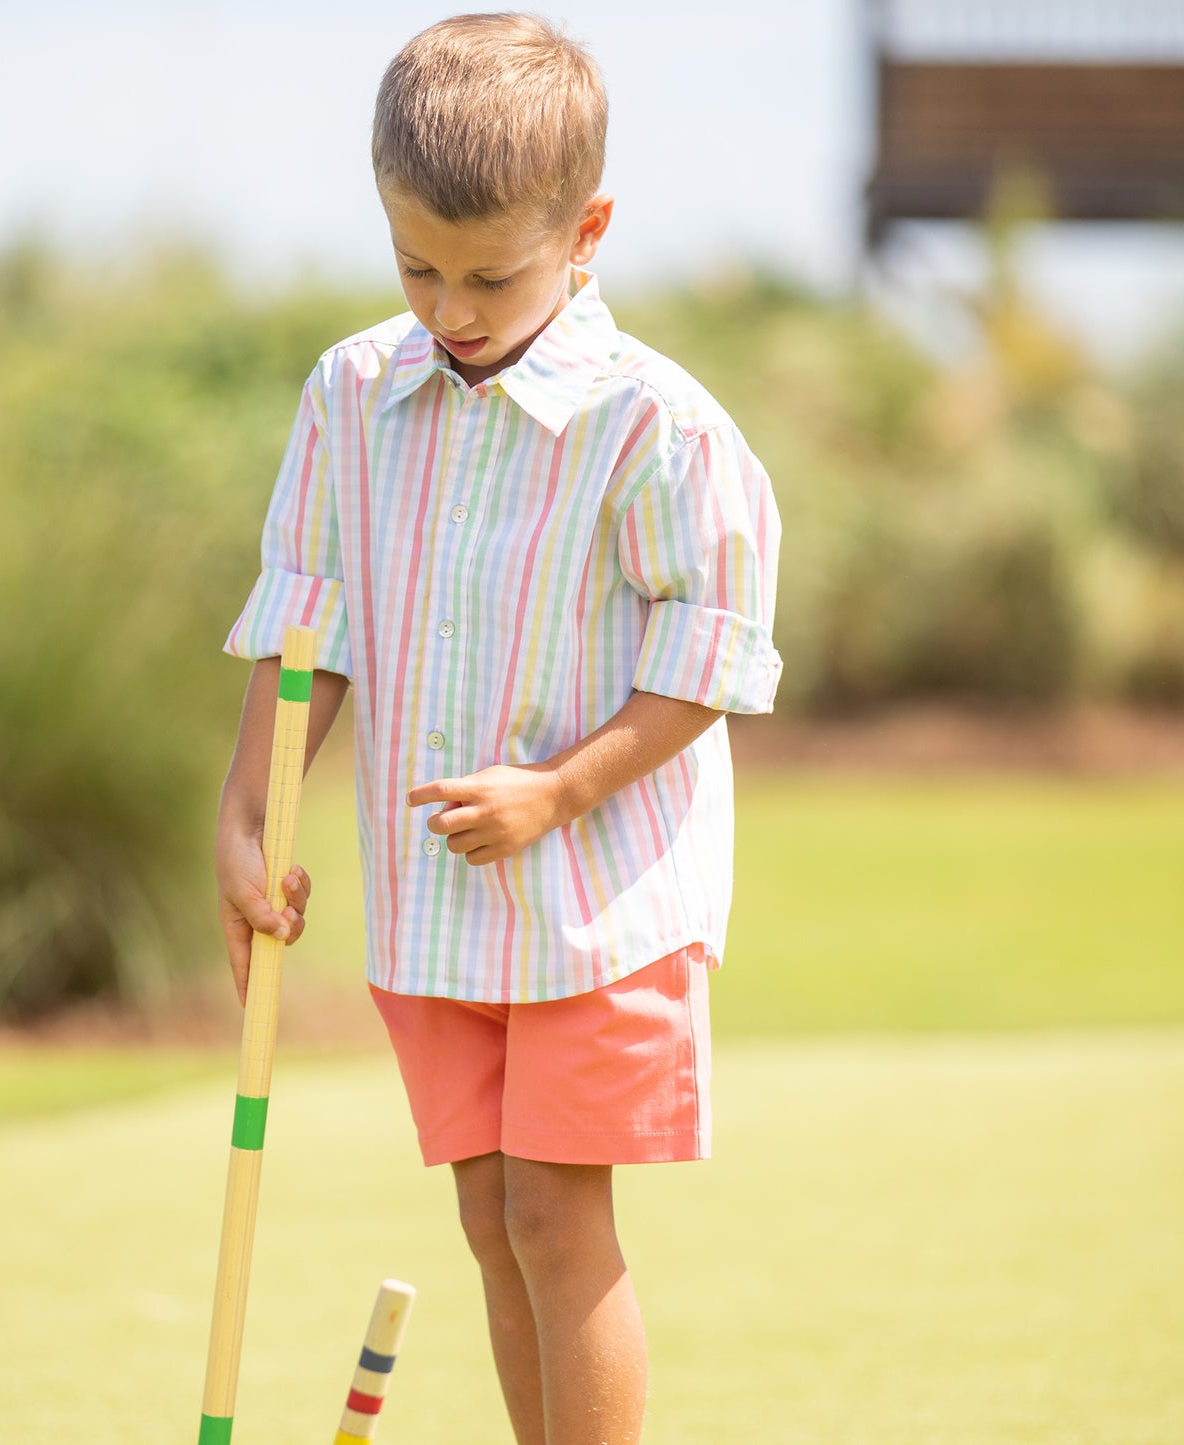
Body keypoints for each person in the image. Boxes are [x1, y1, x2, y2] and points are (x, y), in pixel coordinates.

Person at [214, 14, 781, 1443]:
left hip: (594, 898)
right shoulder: (350, 394)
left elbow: (702, 658)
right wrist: (244, 816)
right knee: (485, 1212)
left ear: (585, 231)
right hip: (435, 903)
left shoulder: (659, 428)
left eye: (489, 274)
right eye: (416, 266)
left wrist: (553, 792)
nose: (450, 307)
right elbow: (309, 623)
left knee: (551, 1209)